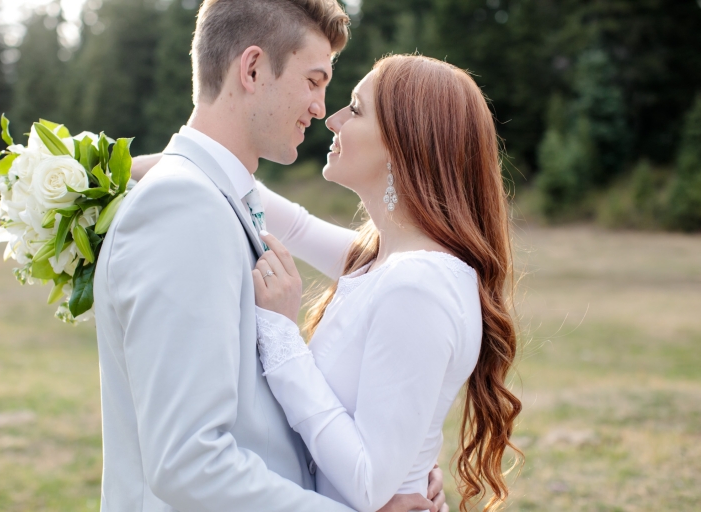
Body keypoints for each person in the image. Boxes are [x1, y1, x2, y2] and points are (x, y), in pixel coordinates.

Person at [95, 0, 445, 510]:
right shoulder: (183, 207)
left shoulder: (218, 197)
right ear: (253, 69)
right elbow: (190, 462)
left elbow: (254, 423)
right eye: (314, 80)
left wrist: (392, 476)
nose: (322, 109)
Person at [249, 55, 523, 512]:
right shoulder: (381, 262)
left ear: (403, 144)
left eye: (354, 109)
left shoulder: (418, 285)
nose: (332, 119)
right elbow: (290, 223)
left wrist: (280, 334)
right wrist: (114, 170)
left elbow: (368, 482)